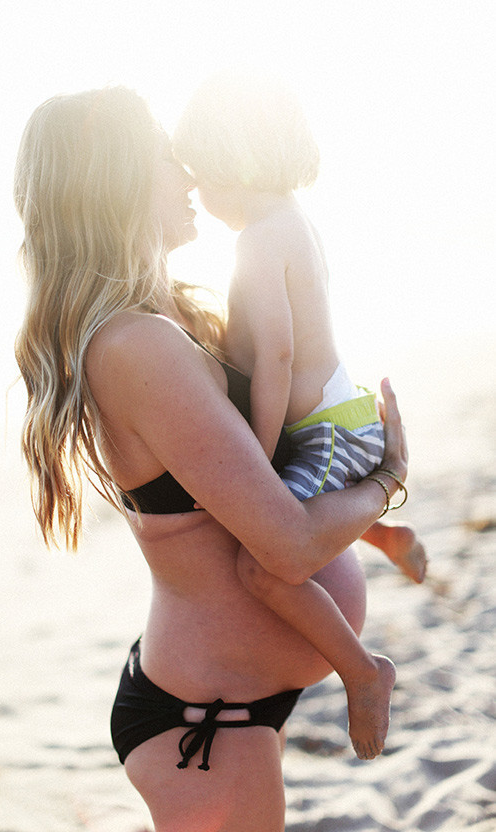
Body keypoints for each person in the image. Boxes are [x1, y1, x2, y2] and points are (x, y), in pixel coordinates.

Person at [14, 85, 411, 832]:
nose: (190, 175)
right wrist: (386, 475)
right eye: (168, 158)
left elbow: (257, 483)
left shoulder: (160, 319)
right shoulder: (136, 346)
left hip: (225, 704)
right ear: (118, 182)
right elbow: (289, 545)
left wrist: (375, 520)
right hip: (204, 721)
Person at [173, 72, 427, 758]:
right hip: (337, 417)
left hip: (328, 429)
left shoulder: (257, 238)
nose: (194, 189)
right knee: (288, 508)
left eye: (199, 172)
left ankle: (363, 670)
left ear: (232, 161)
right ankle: (383, 533)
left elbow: (279, 357)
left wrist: (254, 453)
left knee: (263, 563)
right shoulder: (292, 221)